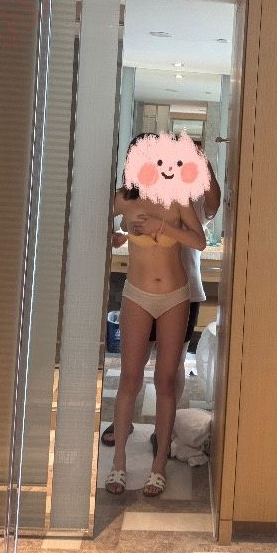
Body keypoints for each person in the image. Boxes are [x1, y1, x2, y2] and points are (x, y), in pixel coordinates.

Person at [101, 141, 221, 452]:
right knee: (134, 365)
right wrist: (120, 235)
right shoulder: (136, 195)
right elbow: (124, 222)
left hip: (185, 292)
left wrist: (201, 159)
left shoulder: (188, 195)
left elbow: (213, 204)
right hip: (142, 291)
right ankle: (125, 420)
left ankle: (162, 429)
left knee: (172, 368)